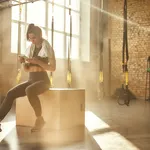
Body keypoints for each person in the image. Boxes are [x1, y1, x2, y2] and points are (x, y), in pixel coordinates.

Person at [0, 23, 56, 132]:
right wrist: (23, 62)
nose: (32, 40)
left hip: (43, 81)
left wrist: (37, 61)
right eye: (30, 38)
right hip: (31, 80)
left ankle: (40, 120)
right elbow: (27, 69)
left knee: (29, 90)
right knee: (11, 93)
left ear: (40, 35)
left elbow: (53, 68)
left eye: (34, 38)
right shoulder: (31, 48)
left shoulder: (47, 47)